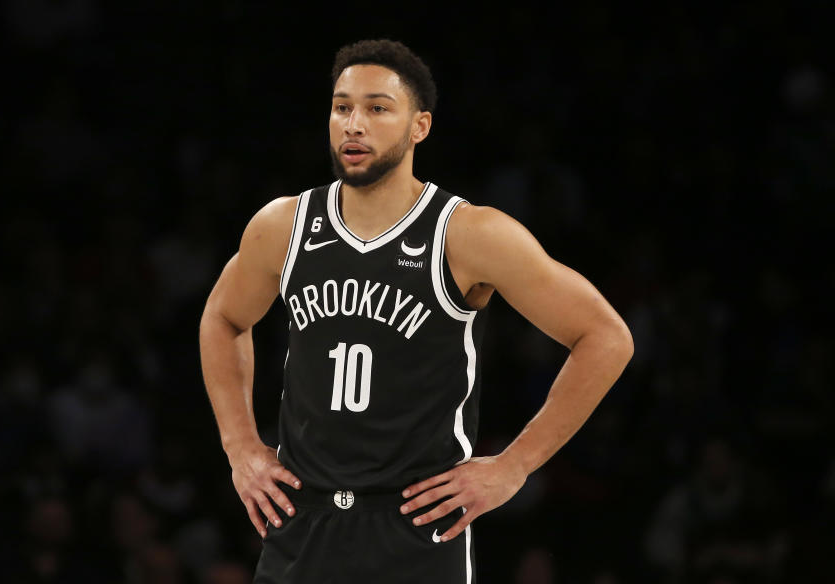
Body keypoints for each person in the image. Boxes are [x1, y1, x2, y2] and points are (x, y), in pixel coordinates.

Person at [199, 39, 634, 583]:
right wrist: (240, 446)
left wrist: (513, 466)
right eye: (342, 107)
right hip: (302, 520)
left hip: (415, 527)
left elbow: (606, 337)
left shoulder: (468, 233)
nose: (354, 124)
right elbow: (222, 318)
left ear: (419, 127)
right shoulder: (282, 226)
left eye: (378, 108)